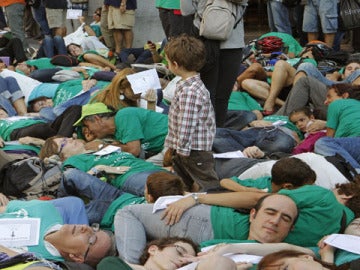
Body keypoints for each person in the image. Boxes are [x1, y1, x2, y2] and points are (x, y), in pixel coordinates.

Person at [114, 193, 299, 264]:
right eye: (270, 213)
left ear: (291, 229)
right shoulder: (216, 239)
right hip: (204, 222)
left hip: (199, 245)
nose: (275, 221)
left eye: (285, 219)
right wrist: (196, 197)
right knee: (127, 211)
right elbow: (257, 197)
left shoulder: (295, 254)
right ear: (252, 215)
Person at [164, 34, 219, 192]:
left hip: (192, 150)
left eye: (168, 62)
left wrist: (179, 152)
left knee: (208, 183)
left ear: (175, 64)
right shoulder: (190, 85)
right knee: (184, 181)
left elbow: (186, 125)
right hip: (187, 148)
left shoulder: (190, 92)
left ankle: (216, 205)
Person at [180, 0, 247, 127]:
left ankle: (207, 136)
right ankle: (216, 135)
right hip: (229, 44)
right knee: (217, 96)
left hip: (206, 41)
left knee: (207, 94)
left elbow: (187, 10)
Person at [0, 197, 116, 267]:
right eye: (94, 228)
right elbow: (4, 209)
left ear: (77, 257)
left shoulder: (38, 262)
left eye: (91, 239)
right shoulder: (46, 209)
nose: (86, 227)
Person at [74, 102, 168, 158]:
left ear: (97, 119)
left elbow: (134, 150)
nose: (88, 130)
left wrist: (102, 146)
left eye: (87, 125)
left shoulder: (124, 116)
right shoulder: (116, 133)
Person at [97, 237, 198, 270]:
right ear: (153, 250)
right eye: (179, 252)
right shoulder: (112, 264)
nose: (183, 260)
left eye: (188, 264)